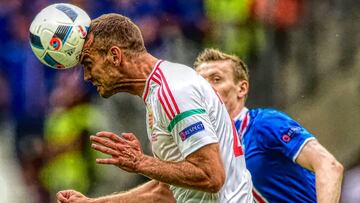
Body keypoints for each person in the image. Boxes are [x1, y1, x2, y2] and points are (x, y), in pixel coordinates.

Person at [56, 13, 253, 203]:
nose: (86, 76)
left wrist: (141, 162)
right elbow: (165, 191)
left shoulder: (173, 91)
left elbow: (211, 175)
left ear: (115, 56)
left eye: (89, 63)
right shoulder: (159, 91)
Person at [194, 48, 344, 203]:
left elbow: (329, 166)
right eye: (200, 82)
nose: (205, 87)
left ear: (242, 88)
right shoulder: (203, 147)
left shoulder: (264, 123)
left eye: (216, 79)